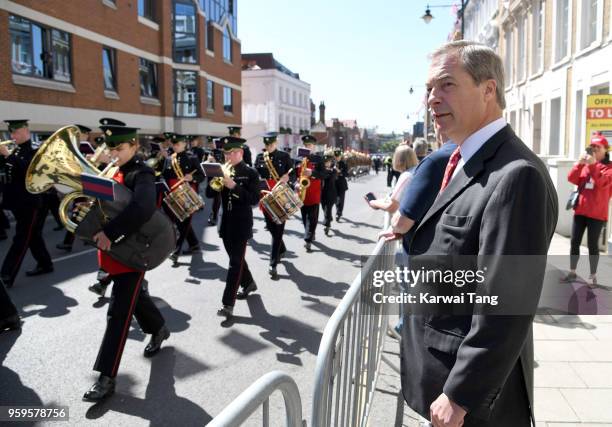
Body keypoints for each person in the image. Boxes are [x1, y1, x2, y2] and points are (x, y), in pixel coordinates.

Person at [399, 41, 558, 427]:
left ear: (489, 90)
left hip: (466, 404)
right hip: (438, 381)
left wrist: (460, 394)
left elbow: (505, 302)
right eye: (428, 90)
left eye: (446, 85)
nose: (432, 100)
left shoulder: (515, 175)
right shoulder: (462, 160)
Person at [83, 121, 170, 402]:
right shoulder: (114, 170)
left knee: (118, 314)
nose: (114, 154)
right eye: (110, 149)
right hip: (115, 251)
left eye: (119, 148)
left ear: (134, 145)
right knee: (137, 300)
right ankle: (158, 328)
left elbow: (143, 208)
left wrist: (109, 232)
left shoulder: (141, 173)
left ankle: (106, 378)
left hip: (132, 253)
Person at [206, 136, 260, 319]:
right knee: (236, 259)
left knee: (234, 264)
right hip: (225, 221)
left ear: (241, 153)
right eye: (226, 153)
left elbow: (253, 200)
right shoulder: (221, 169)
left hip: (241, 222)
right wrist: (213, 177)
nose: (228, 156)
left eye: (232, 152)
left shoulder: (251, 173)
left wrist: (233, 186)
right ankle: (249, 283)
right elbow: (209, 193)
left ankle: (227, 304)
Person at [0, 120, 53, 289]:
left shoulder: (35, 149)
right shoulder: (16, 150)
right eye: (11, 133)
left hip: (29, 203)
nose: (13, 136)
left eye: (15, 133)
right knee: (33, 235)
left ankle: (6, 274)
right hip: (16, 201)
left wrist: (9, 156)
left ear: (25, 131)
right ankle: (45, 264)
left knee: (21, 238)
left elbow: (31, 172)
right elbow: (9, 173)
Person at [562, 132, 611, 287]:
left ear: (606, 149)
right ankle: (572, 271)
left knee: (592, 246)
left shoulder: (608, 168)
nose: (595, 150)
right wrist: (579, 163)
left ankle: (593, 275)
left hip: (597, 214)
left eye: (598, 147)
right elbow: (572, 178)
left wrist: (592, 165)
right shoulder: (586, 164)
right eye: (592, 147)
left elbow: (603, 183)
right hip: (581, 210)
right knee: (574, 242)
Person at [254, 133, 294, 279]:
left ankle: (273, 263)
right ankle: (282, 248)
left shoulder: (284, 156)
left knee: (278, 228)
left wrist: (288, 177)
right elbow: (255, 175)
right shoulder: (260, 157)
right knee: (271, 227)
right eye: (267, 144)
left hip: (280, 195)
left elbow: (293, 172)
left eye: (271, 144)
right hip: (265, 195)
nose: (269, 146)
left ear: (275, 143)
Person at [163, 134, 204, 262]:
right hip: (172, 193)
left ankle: (176, 250)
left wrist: (192, 178)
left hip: (187, 194)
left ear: (184, 144)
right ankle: (194, 245)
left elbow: (201, 176)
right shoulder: (170, 159)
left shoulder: (192, 157)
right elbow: (164, 176)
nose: (175, 146)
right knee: (179, 222)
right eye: (173, 144)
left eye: (178, 144)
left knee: (184, 222)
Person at [296, 134, 327, 252]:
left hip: (314, 192)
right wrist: (295, 183)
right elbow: (294, 175)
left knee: (312, 217)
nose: (308, 147)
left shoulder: (318, 159)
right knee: (304, 217)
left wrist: (313, 172)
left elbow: (324, 175)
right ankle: (310, 232)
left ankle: (308, 240)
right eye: (306, 145)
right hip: (302, 192)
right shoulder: (298, 159)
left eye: (310, 145)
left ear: (314, 146)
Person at [368, 145, 418, 213]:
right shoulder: (416, 171)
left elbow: (392, 207)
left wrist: (373, 203)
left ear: (397, 159)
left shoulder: (406, 176)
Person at [320, 153, 338, 236]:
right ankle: (329, 218)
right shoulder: (321, 170)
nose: (327, 163)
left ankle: (327, 225)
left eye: (329, 162)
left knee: (327, 210)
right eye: (325, 162)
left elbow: (330, 177)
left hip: (331, 194)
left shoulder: (333, 171)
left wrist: (326, 171)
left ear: (331, 163)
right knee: (324, 209)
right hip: (322, 194)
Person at [334, 150, 349, 221]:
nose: (337, 158)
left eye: (338, 156)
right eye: (336, 156)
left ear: (340, 156)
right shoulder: (332, 163)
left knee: (341, 200)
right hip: (334, 184)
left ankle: (339, 213)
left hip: (342, 184)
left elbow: (346, 174)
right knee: (336, 199)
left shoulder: (344, 164)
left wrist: (340, 172)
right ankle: (338, 211)